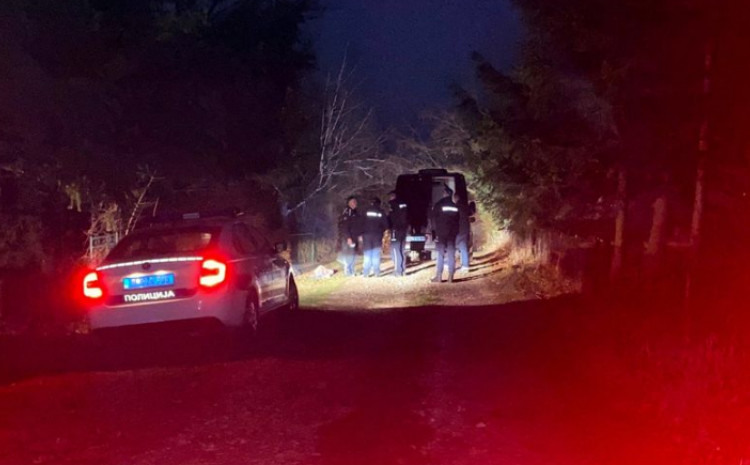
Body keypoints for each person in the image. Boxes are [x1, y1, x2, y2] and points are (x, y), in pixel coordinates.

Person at [431, 186, 460, 283]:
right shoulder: (455, 206)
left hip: (441, 233)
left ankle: (439, 276)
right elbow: (458, 221)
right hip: (452, 233)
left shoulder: (439, 204)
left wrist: (434, 232)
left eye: (443, 192)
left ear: (445, 194)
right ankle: (451, 276)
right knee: (451, 254)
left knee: (440, 253)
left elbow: (433, 219)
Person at [361, 196, 388, 277]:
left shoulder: (365, 211)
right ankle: (377, 273)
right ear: (379, 203)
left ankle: (366, 273)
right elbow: (386, 224)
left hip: (366, 235)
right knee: (376, 254)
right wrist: (382, 231)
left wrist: (361, 233)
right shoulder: (381, 212)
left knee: (367, 254)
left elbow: (361, 222)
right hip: (377, 235)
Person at [337, 195, 361, 276]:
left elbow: (358, 225)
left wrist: (359, 235)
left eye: (355, 202)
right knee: (348, 254)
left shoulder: (356, 213)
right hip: (348, 238)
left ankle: (352, 271)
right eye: (353, 202)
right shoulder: (347, 213)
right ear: (349, 203)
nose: (355, 203)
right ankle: (348, 272)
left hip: (355, 237)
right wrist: (348, 238)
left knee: (353, 254)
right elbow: (344, 227)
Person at [387, 190, 409, 277]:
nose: (389, 198)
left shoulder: (393, 205)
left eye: (390, 197)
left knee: (395, 250)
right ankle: (403, 270)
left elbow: (391, 218)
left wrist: (389, 226)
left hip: (396, 230)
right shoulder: (404, 204)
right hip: (404, 230)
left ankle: (397, 271)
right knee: (401, 250)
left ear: (393, 196)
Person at [453, 193, 471, 274]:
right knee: (463, 248)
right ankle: (465, 266)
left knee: (451, 247)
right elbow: (470, 213)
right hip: (465, 230)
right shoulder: (465, 206)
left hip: (458, 230)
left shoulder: (455, 207)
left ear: (455, 199)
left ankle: (449, 265)